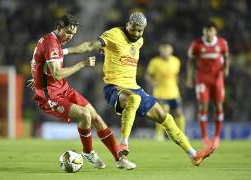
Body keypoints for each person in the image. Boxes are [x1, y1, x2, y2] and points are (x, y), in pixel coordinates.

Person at [63, 12, 213, 166]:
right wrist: (65, 52)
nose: (136, 33)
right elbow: (90, 45)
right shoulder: (114, 34)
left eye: (139, 31)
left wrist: (107, 51)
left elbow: (120, 51)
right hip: (114, 87)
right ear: (128, 24)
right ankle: (124, 143)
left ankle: (193, 154)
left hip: (134, 87)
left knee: (165, 117)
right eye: (133, 29)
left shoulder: (139, 41)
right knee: (134, 99)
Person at [29, 14, 136, 170]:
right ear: (59, 27)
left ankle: (119, 158)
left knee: (97, 118)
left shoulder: (55, 41)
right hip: (49, 96)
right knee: (84, 115)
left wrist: (37, 77)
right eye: (68, 32)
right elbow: (57, 74)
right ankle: (88, 152)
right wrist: (82, 64)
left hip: (63, 89)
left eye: (73, 34)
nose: (70, 37)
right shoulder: (51, 43)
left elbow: (68, 51)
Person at [186, 21, 230, 150]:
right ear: (203, 32)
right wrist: (189, 76)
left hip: (217, 78)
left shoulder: (222, 43)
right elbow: (190, 61)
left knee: (218, 105)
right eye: (206, 30)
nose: (208, 33)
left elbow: (226, 57)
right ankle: (204, 137)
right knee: (203, 105)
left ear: (215, 31)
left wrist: (226, 68)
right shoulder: (196, 44)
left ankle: (216, 136)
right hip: (202, 79)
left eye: (211, 30)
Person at [146, 43, 186, 141]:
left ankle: (181, 134)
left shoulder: (176, 61)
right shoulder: (154, 62)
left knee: (179, 113)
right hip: (160, 93)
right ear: (160, 51)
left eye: (167, 50)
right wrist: (153, 82)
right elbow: (148, 75)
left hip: (174, 92)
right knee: (163, 113)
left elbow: (176, 75)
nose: (165, 52)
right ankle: (159, 135)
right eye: (163, 50)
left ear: (171, 50)